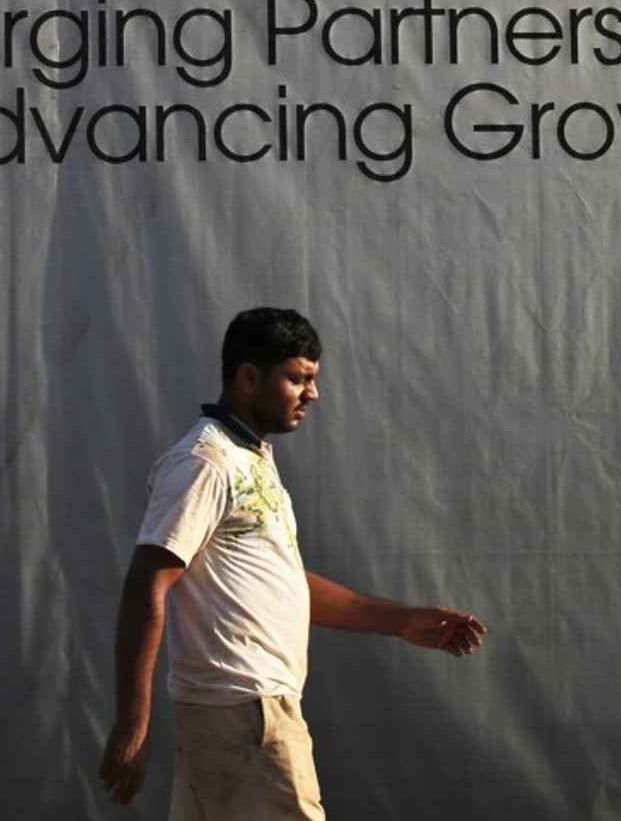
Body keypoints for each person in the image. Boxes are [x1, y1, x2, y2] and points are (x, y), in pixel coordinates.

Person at [98, 307, 486, 819]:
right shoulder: (204, 463)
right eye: (298, 378)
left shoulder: (252, 460)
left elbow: (284, 581)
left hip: (238, 713)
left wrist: (401, 620)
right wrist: (133, 720)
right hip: (246, 708)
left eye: (313, 379)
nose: (313, 394)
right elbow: (148, 582)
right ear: (249, 376)